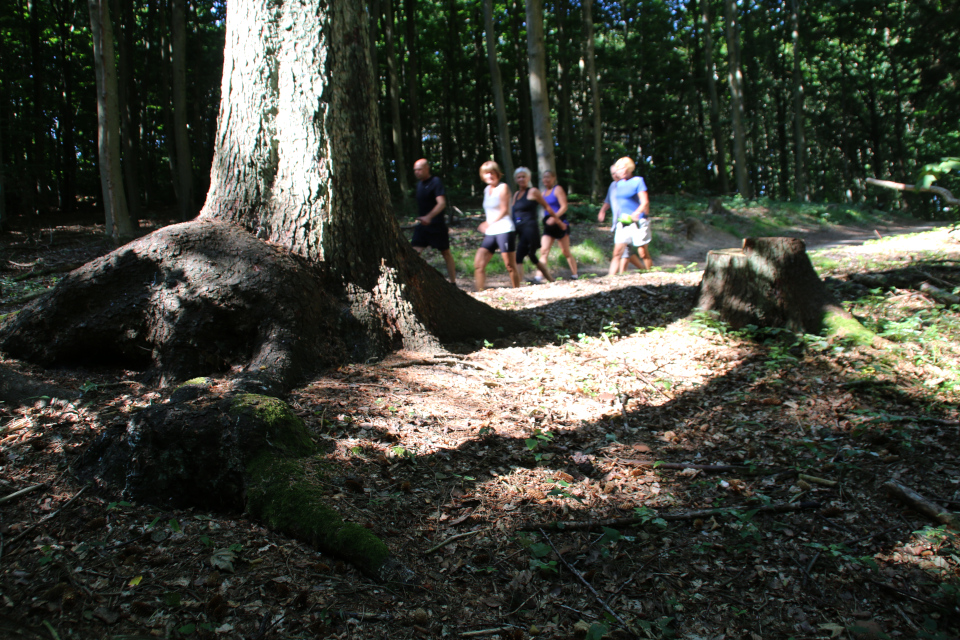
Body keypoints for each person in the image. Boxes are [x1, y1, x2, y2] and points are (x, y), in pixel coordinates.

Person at [474, 161, 519, 291]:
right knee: (479, 264)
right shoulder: (486, 190)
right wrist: (489, 225)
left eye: (491, 172)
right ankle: (480, 293)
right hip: (491, 232)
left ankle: (517, 291)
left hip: (505, 229)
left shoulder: (503, 187)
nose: (489, 175)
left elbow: (505, 209)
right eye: (486, 173)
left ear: (497, 173)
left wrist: (488, 223)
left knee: (510, 265)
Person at [411, 158, 456, 283]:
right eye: (415, 170)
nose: (417, 172)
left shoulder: (436, 182)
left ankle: (453, 283)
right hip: (423, 227)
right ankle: (415, 282)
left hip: (437, 225)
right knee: (413, 254)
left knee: (446, 253)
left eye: (420, 169)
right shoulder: (419, 185)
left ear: (427, 168)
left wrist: (429, 217)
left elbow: (441, 203)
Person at [606, 157, 653, 275]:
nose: (620, 171)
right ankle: (610, 278)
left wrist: (638, 212)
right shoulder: (618, 184)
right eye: (618, 169)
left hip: (638, 221)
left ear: (629, 168)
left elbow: (645, 201)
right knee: (617, 252)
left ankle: (651, 275)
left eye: (622, 168)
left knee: (642, 252)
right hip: (623, 222)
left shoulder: (638, 181)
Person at [511, 167, 554, 283]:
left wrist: (556, 219)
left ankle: (517, 287)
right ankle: (551, 279)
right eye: (519, 177)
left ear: (528, 178)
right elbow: (513, 212)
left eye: (523, 177)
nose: (521, 179)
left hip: (530, 229)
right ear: (516, 179)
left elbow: (547, 206)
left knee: (518, 256)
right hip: (519, 230)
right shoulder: (515, 195)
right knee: (532, 257)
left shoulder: (533, 191)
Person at [539, 169, 578, 280]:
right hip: (549, 225)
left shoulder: (558, 189)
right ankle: (539, 277)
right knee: (544, 250)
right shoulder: (542, 194)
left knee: (565, 251)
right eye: (544, 177)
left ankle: (574, 274)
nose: (546, 179)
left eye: (548, 177)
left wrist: (554, 218)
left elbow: (564, 207)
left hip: (560, 223)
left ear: (553, 178)